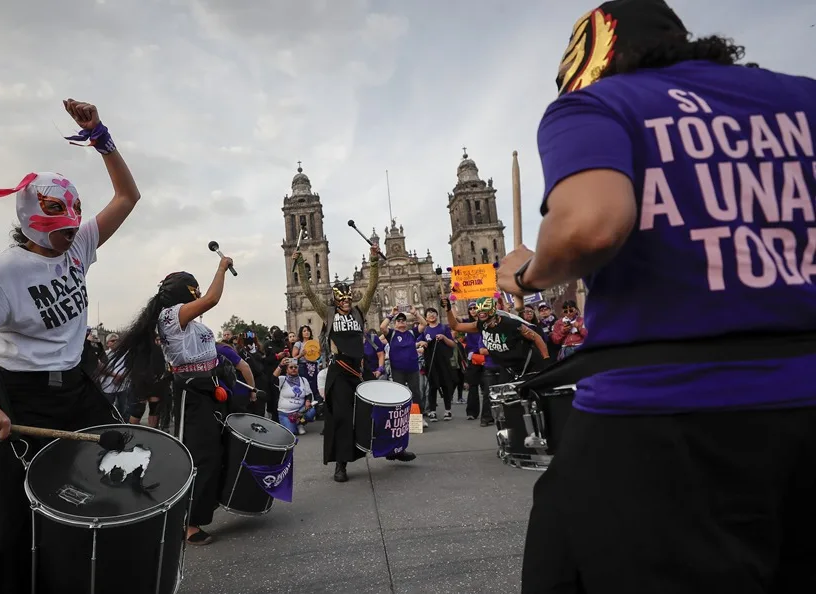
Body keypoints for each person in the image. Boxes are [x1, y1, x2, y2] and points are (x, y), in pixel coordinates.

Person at [492, 1, 816, 592]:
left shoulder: (595, 106)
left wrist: (523, 274)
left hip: (659, 418)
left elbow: (588, 226)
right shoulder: (805, 97)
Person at [0, 98, 140, 594]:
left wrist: (101, 137)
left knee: (107, 498)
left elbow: (127, 197)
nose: (68, 238)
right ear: (29, 222)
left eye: (71, 228)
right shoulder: (1, 273)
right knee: (5, 534)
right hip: (19, 399)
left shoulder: (80, 244)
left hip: (76, 393)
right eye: (57, 230)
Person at [107, 260, 247, 547]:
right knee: (199, 455)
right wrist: (221, 268)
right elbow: (212, 299)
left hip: (210, 387)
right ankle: (188, 524)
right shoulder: (171, 316)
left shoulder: (189, 321)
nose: (198, 295)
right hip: (192, 391)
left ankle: (202, 511)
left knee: (215, 451)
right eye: (192, 289)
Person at [293, 245, 416, 483]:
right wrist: (299, 263)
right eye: (343, 299)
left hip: (360, 369)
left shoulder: (360, 311)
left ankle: (393, 449)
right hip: (339, 371)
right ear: (336, 301)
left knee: (380, 410)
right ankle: (341, 464)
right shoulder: (327, 313)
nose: (347, 301)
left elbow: (371, 286)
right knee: (341, 417)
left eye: (349, 298)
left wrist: (372, 260)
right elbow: (308, 292)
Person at [445, 297, 550, 382]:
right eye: (479, 311)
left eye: (484, 311)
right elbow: (455, 326)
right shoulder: (479, 325)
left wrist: (546, 359)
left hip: (528, 364)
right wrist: (448, 310)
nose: (481, 314)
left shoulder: (511, 324)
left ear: (492, 310)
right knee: (506, 399)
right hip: (507, 368)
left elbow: (536, 337)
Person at [272, 357, 316, 435]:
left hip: (300, 411)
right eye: (291, 367)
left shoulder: (303, 380)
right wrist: (280, 365)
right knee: (292, 433)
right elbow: (273, 378)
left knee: (311, 411)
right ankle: (293, 424)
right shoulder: (283, 379)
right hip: (285, 413)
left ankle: (300, 424)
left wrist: (308, 401)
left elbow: (308, 394)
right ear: (287, 370)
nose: (293, 369)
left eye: (295, 367)